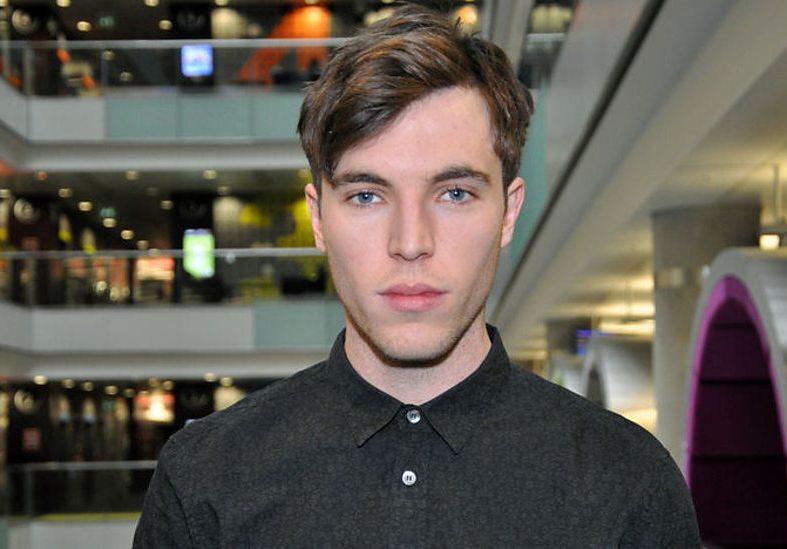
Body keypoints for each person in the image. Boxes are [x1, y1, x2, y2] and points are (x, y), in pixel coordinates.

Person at [133, 4, 700, 546]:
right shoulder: (204, 482)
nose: (410, 243)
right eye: (366, 195)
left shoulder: (628, 482)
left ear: (508, 213)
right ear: (318, 219)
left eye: (454, 193)